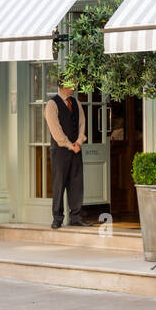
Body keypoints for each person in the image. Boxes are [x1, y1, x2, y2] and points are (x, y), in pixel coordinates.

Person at [44, 82, 87, 228]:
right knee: (59, 183)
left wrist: (79, 142)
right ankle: (57, 218)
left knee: (76, 183)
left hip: (76, 148)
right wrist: (69, 144)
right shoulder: (52, 104)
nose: (74, 87)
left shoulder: (76, 103)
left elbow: (82, 124)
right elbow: (55, 130)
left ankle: (76, 217)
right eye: (71, 85)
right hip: (60, 150)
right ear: (62, 86)